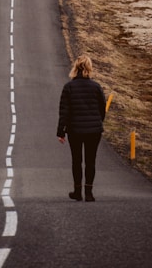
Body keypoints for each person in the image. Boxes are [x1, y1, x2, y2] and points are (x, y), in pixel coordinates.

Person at [57, 54, 106, 202]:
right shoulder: (96, 87)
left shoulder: (69, 87)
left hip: (75, 130)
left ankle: (77, 191)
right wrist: (98, 122)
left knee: (76, 161)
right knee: (91, 161)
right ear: (89, 68)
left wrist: (61, 132)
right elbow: (102, 108)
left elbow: (64, 111)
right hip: (94, 131)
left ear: (75, 68)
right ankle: (89, 193)